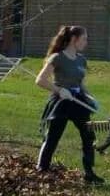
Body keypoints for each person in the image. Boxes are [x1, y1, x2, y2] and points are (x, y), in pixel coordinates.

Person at [35, 26, 104, 184]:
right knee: (53, 137)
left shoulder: (81, 60)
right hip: (61, 101)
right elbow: (40, 80)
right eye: (84, 38)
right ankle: (42, 170)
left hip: (78, 101)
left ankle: (89, 173)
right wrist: (59, 90)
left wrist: (90, 98)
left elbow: (81, 83)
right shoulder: (57, 58)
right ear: (74, 39)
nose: (86, 42)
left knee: (88, 136)